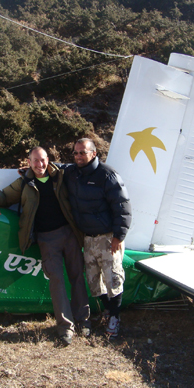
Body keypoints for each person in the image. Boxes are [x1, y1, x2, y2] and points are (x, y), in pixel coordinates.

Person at [0, 147, 90, 346]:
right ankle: (65, 328)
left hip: (69, 234)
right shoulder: (24, 182)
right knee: (57, 281)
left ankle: (84, 322)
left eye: (42, 160)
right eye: (35, 161)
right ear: (29, 162)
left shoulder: (60, 176)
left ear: (48, 160)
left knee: (77, 276)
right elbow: (4, 195)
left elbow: (80, 173)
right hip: (46, 239)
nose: (39, 165)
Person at [62, 138, 132, 337]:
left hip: (108, 238)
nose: (78, 156)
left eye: (82, 152)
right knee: (94, 282)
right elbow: (56, 169)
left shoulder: (107, 175)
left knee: (113, 279)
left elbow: (123, 207)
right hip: (88, 238)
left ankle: (115, 318)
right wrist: (27, 171)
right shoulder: (72, 172)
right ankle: (108, 310)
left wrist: (118, 236)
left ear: (93, 153)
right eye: (75, 153)